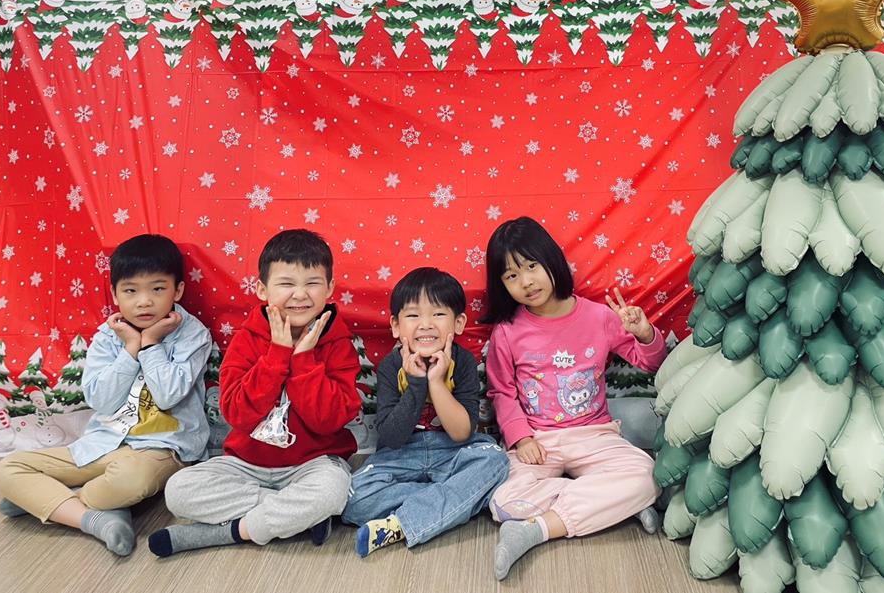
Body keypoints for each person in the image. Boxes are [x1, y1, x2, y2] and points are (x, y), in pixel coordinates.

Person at [0, 234, 211, 555]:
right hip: (102, 443)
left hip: (161, 450)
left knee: (130, 479)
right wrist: (130, 349)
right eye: (131, 291)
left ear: (177, 290)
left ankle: (53, 503)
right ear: (115, 294)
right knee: (9, 469)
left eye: (157, 289)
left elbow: (168, 396)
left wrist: (150, 344)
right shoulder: (109, 336)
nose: (144, 301)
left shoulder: (193, 335)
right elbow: (101, 402)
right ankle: (96, 518)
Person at [149, 229, 360, 556]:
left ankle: (232, 532)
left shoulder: (339, 344)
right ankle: (296, 517)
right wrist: (278, 355)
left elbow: (328, 421)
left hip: (313, 464)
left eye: (313, 283)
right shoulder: (246, 340)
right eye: (286, 284)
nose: (300, 294)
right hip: (246, 466)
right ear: (262, 289)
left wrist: (304, 359)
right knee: (178, 490)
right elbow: (237, 414)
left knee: (332, 490)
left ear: (330, 288)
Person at [482, 217, 667, 580]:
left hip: (594, 436)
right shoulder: (507, 331)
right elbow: (501, 391)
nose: (526, 282)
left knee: (648, 475)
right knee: (501, 501)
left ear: (551, 260)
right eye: (511, 276)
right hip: (537, 442)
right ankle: (614, 504)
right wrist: (521, 437)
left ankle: (536, 530)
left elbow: (651, 363)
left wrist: (645, 333)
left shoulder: (599, 317)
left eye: (531, 266)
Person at [341, 267, 508, 556]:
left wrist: (436, 383)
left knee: (495, 460)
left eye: (438, 314)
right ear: (396, 326)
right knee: (354, 499)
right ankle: (458, 499)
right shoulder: (391, 366)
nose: (426, 325)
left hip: (452, 452)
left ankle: (399, 524)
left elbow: (461, 433)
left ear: (458, 323)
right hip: (401, 454)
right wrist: (417, 383)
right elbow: (392, 437)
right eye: (413, 315)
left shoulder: (463, 362)